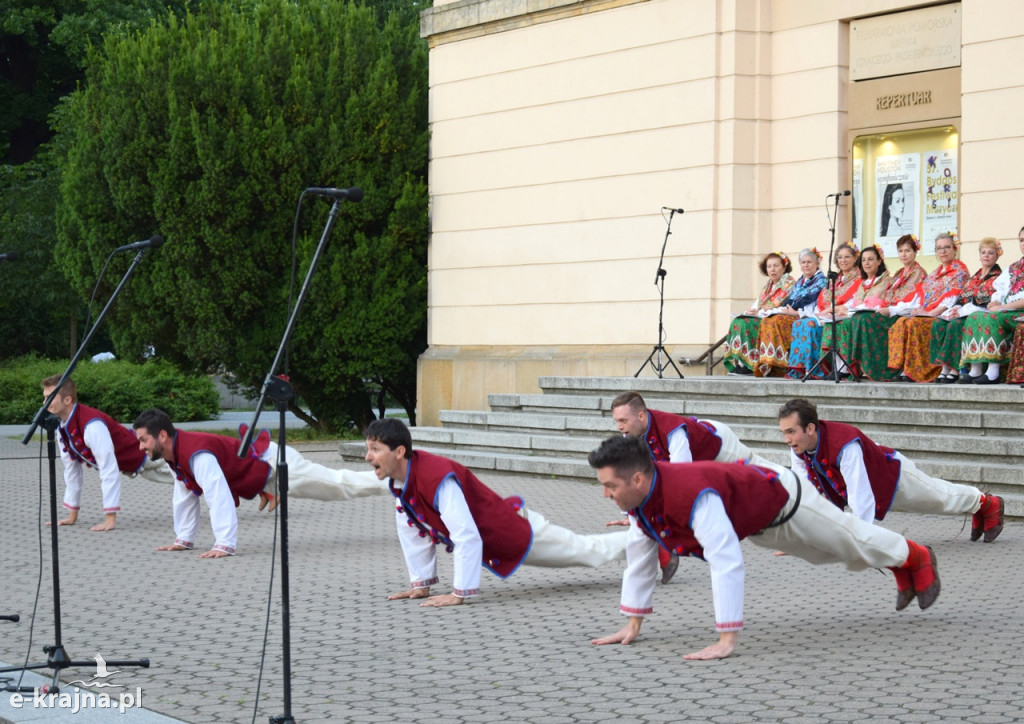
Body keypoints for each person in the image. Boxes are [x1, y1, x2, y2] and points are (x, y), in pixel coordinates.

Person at [587, 435, 941, 661]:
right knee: (830, 556)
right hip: (760, 522)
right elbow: (640, 556)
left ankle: (915, 556)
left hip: (789, 499)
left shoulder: (693, 493)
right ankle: (899, 561)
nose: (605, 494)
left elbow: (726, 561)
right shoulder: (637, 498)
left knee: (852, 540)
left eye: (609, 485)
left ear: (636, 479)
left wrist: (727, 640)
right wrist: (632, 624)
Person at [365, 417, 627, 607]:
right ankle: (648, 541)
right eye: (369, 449)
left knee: (589, 551)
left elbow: (465, 534)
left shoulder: (436, 476)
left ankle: (651, 540)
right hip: (502, 537)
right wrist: (420, 583)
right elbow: (413, 531)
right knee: (588, 550)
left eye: (375, 449)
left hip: (518, 533)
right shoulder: (402, 482)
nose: (368, 457)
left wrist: (460, 593)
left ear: (399, 452)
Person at [133, 408, 387, 558]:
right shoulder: (176, 454)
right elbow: (185, 493)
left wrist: (225, 544)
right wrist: (183, 539)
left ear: (162, 435)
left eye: (144, 440)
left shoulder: (195, 452)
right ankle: (393, 483)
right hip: (265, 477)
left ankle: (392, 483)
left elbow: (217, 494)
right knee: (339, 487)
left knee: (339, 485)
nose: (141, 447)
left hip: (275, 465)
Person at [777, 398, 1004, 543]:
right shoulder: (800, 446)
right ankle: (980, 504)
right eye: (784, 433)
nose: (787, 439)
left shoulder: (845, 444)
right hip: (876, 485)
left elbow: (860, 492)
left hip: (892, 474)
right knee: (939, 499)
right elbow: (802, 488)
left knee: (939, 498)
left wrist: (862, 539)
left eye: (791, 432)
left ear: (810, 428)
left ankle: (986, 504)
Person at [607, 390, 768, 583]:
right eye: (617, 421)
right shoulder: (629, 434)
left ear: (641, 415)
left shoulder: (673, 430)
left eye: (623, 420)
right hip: (696, 458)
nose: (619, 426)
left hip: (719, 444)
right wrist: (631, 514)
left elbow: (679, 478)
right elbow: (634, 478)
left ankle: (790, 491)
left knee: (760, 471)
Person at [41, 375, 174, 531]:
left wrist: (110, 519)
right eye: (44, 398)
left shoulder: (92, 425)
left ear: (68, 400)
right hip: (137, 466)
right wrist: (72, 515)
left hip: (152, 456)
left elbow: (109, 468)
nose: (45, 403)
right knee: (189, 481)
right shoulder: (62, 429)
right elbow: (71, 471)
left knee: (196, 474)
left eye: (50, 398)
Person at [887, 232, 969, 382]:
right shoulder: (935, 273)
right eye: (939, 248)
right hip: (929, 312)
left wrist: (930, 313)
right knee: (903, 321)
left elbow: (951, 299)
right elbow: (923, 295)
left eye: (946, 247)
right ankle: (907, 368)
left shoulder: (959, 271)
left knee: (914, 323)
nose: (943, 251)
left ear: (954, 249)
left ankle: (921, 370)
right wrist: (918, 309)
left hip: (944, 314)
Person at [845, 234, 927, 381]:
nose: (903, 254)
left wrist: (890, 310)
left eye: (907, 250)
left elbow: (914, 302)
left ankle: (878, 368)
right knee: (859, 317)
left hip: (903, 314)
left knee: (865, 319)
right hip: (891, 312)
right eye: (901, 251)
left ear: (915, 252)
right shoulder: (899, 274)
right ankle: (862, 366)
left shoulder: (919, 273)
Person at [930, 237, 1003, 383]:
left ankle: (955, 368)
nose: (986, 256)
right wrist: (956, 309)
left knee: (955, 325)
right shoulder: (974, 277)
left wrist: (963, 311)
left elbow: (989, 302)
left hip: (980, 313)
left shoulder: (998, 277)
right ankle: (943, 366)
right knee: (939, 323)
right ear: (979, 255)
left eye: (990, 253)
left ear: (997, 255)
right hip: (964, 312)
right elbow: (962, 298)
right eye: (983, 253)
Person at [958, 226, 1024, 384]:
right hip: (1007, 310)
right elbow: (1000, 291)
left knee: (993, 318)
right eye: (1022, 240)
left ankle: (993, 372)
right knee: (975, 316)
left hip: (1018, 311)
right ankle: (975, 369)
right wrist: (995, 301)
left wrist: (1002, 307)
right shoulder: (1014, 267)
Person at [787, 243, 861, 379]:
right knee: (799, 323)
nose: (843, 260)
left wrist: (835, 310)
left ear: (855, 258)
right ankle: (802, 368)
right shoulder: (835, 279)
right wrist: (819, 312)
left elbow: (856, 300)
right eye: (839, 257)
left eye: (847, 257)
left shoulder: (859, 278)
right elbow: (823, 299)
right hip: (825, 315)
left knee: (814, 324)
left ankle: (836, 369)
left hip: (845, 315)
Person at [819, 243, 891, 378]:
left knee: (845, 323)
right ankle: (837, 367)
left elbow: (881, 303)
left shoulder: (886, 281)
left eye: (870, 259)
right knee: (832, 322)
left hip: (877, 317)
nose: (866, 263)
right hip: (859, 314)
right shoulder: (864, 282)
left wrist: (846, 311)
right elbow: (855, 303)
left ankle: (846, 368)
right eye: (863, 260)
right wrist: (835, 310)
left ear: (879, 261)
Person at [754, 248, 827, 377]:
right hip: (793, 313)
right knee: (767, 320)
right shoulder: (800, 281)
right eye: (803, 262)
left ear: (817, 264)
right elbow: (790, 301)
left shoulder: (821, 281)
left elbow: (812, 303)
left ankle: (782, 366)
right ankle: (770, 364)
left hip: (811, 316)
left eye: (809, 262)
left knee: (775, 321)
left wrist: (796, 312)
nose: (806, 265)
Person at [722, 252, 794, 375]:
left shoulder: (790, 284)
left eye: (776, 266)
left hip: (776, 319)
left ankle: (755, 366)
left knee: (749, 323)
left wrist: (759, 312)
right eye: (769, 266)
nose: (772, 269)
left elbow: (787, 307)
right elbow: (757, 305)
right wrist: (750, 311)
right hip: (763, 316)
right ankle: (743, 363)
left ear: (784, 267)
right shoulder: (768, 286)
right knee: (739, 321)